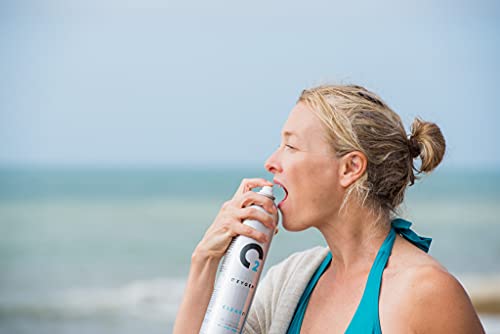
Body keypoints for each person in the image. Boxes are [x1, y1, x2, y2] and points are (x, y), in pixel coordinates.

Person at [173, 84, 485, 333]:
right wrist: (205, 261)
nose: (271, 161)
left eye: (291, 146)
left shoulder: (425, 292)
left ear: (350, 167)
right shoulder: (290, 280)